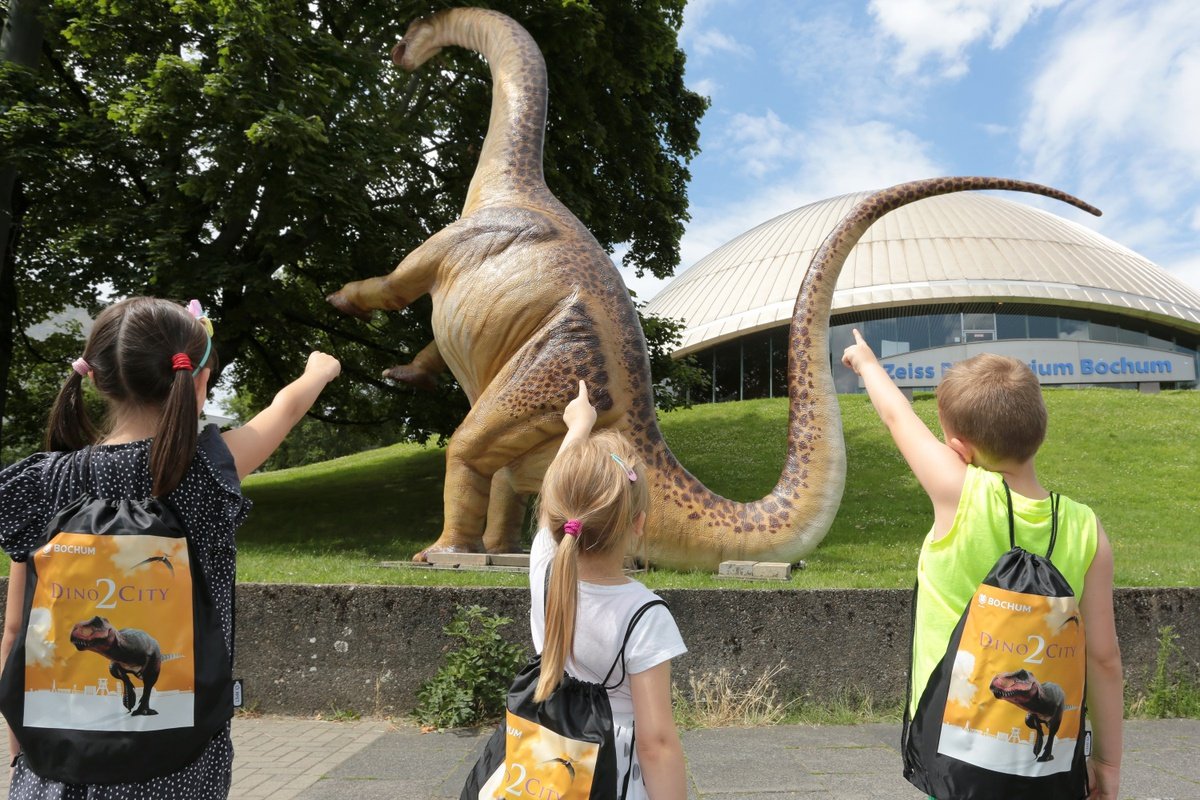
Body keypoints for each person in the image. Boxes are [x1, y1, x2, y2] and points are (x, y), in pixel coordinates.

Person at [0, 296, 341, 799]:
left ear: (92, 379)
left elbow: (15, 633)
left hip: (54, 765)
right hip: (179, 765)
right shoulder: (204, 474)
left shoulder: (41, 485)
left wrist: (19, 748)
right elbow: (284, 409)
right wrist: (319, 370)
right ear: (197, 380)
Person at [840, 331, 1122, 800]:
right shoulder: (1086, 529)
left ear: (959, 447)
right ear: (1040, 430)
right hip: (1048, 767)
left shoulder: (959, 493)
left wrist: (868, 363)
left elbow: (897, 416)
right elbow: (1104, 658)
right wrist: (1108, 761)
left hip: (956, 749)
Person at [529, 380, 687, 800]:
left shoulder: (546, 566)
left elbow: (553, 504)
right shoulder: (645, 615)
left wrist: (577, 427)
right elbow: (657, 745)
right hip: (613, 780)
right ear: (637, 524)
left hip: (546, 769)